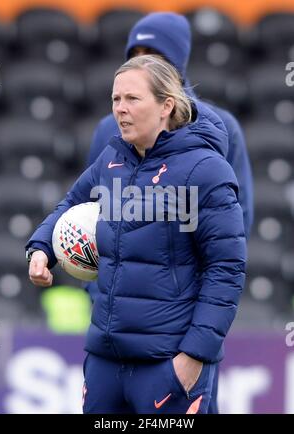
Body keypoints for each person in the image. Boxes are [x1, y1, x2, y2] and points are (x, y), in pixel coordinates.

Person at [26, 55, 246, 414]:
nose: (120, 109)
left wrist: (192, 358)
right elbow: (71, 203)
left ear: (166, 106)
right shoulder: (112, 157)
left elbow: (226, 271)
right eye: (116, 99)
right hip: (104, 362)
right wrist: (40, 248)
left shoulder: (207, 171)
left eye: (132, 99)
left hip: (167, 365)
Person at [85, 12, 254, 413]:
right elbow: (92, 212)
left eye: (155, 54)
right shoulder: (107, 131)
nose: (143, 63)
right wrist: (102, 293)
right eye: (136, 54)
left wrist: (195, 336)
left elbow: (233, 229)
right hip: (116, 332)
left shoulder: (220, 128)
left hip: (181, 327)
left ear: (178, 66)